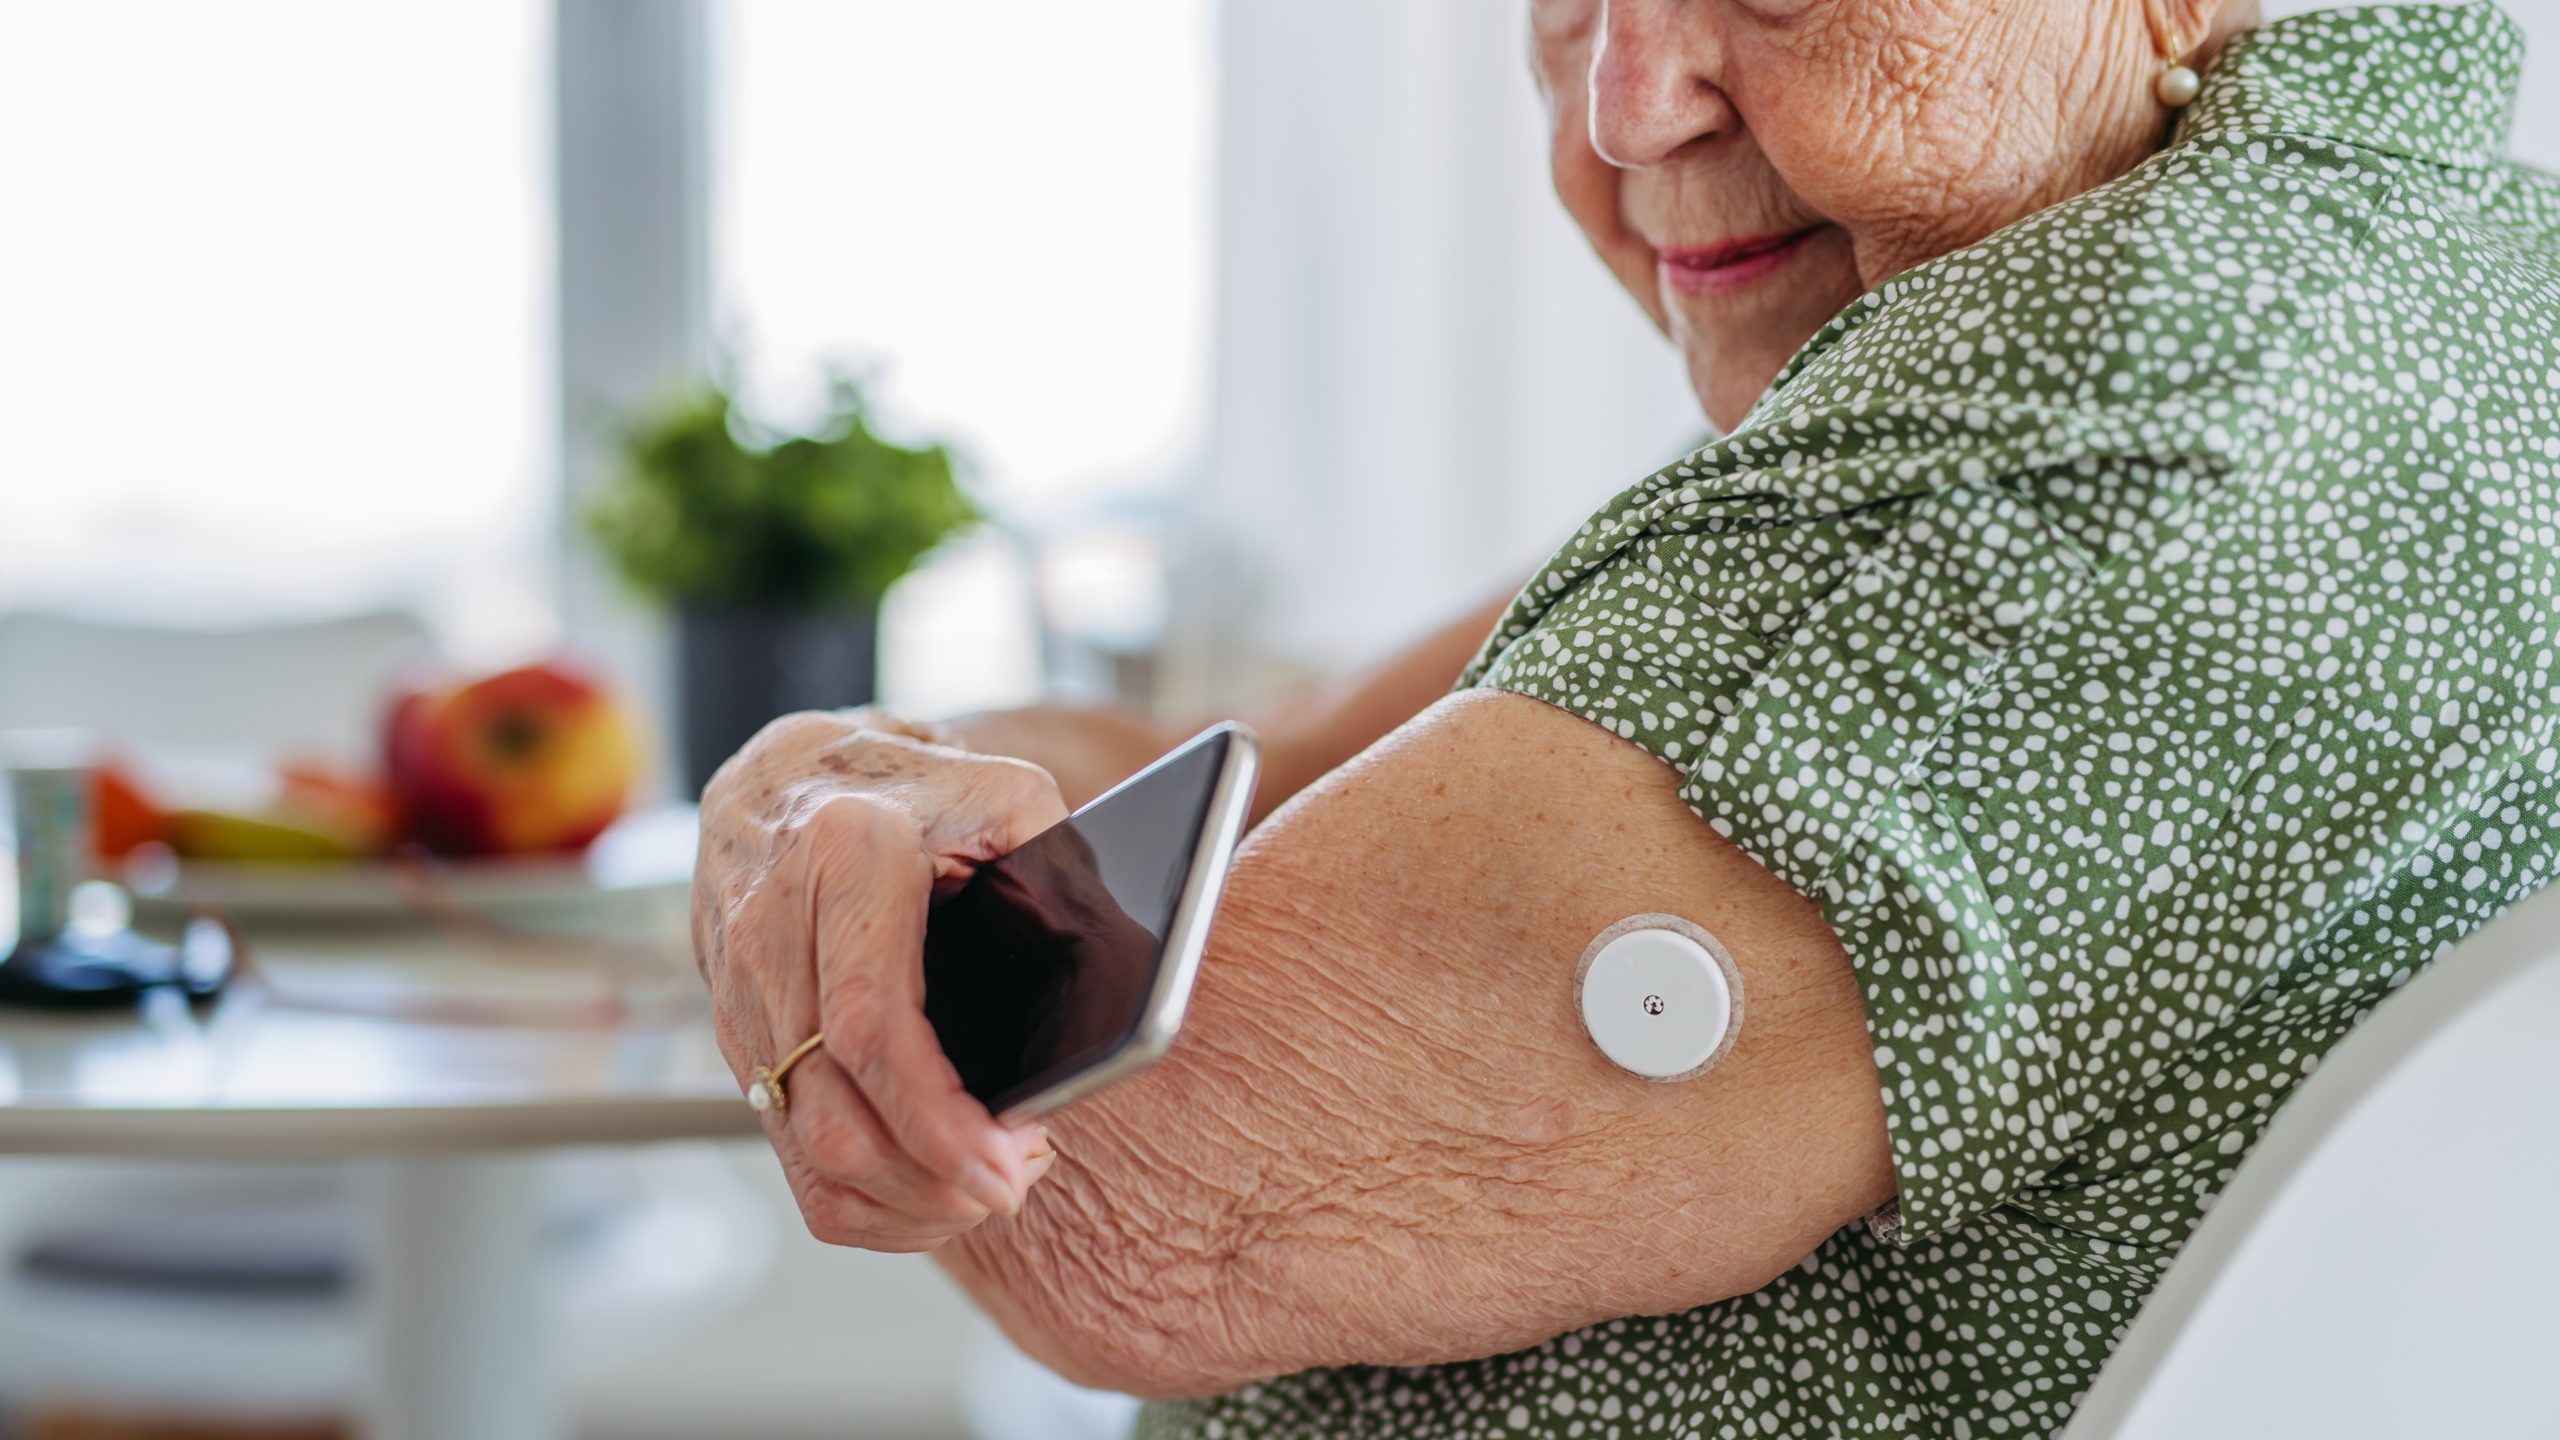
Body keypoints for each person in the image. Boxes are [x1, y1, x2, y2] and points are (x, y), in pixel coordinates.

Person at [691, 0, 2560, 1434]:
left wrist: (776, 822)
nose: (1624, 105)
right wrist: (849, 794)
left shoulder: (2075, 424)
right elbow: (1284, 746)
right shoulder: (2394, 262)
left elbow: (1103, 1191)